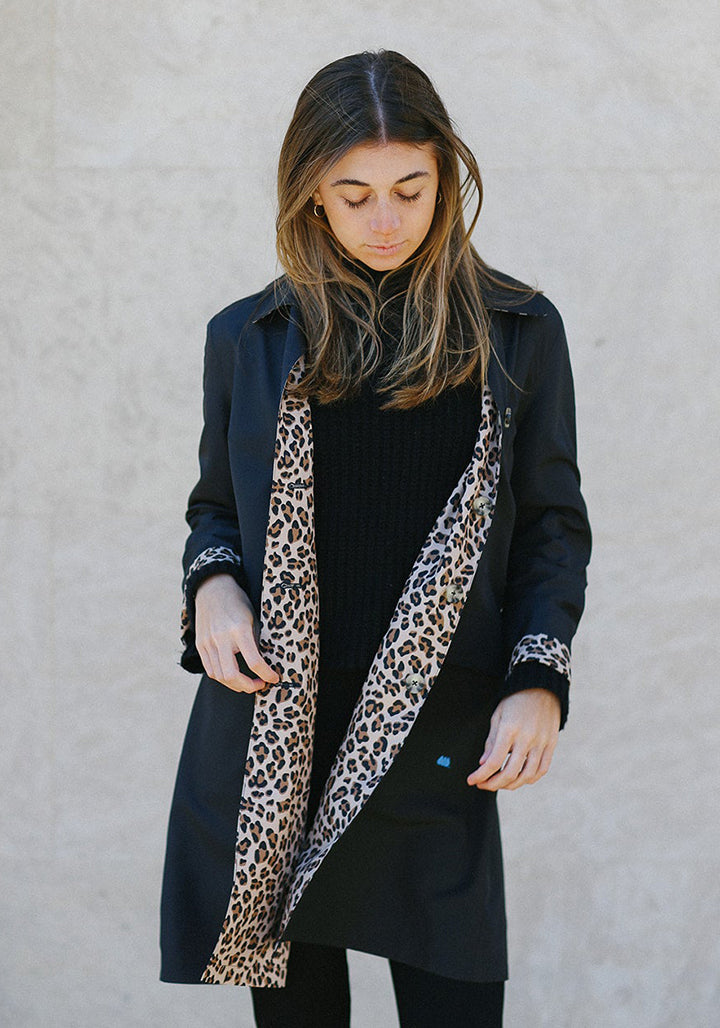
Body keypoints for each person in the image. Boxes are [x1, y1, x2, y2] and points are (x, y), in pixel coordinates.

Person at [160, 49, 591, 1028]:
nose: (385, 219)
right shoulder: (250, 338)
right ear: (312, 192)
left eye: (410, 190)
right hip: (280, 738)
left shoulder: (517, 331)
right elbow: (215, 509)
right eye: (354, 195)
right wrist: (214, 590)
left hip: (437, 734)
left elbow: (553, 526)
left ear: (447, 179)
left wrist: (539, 678)